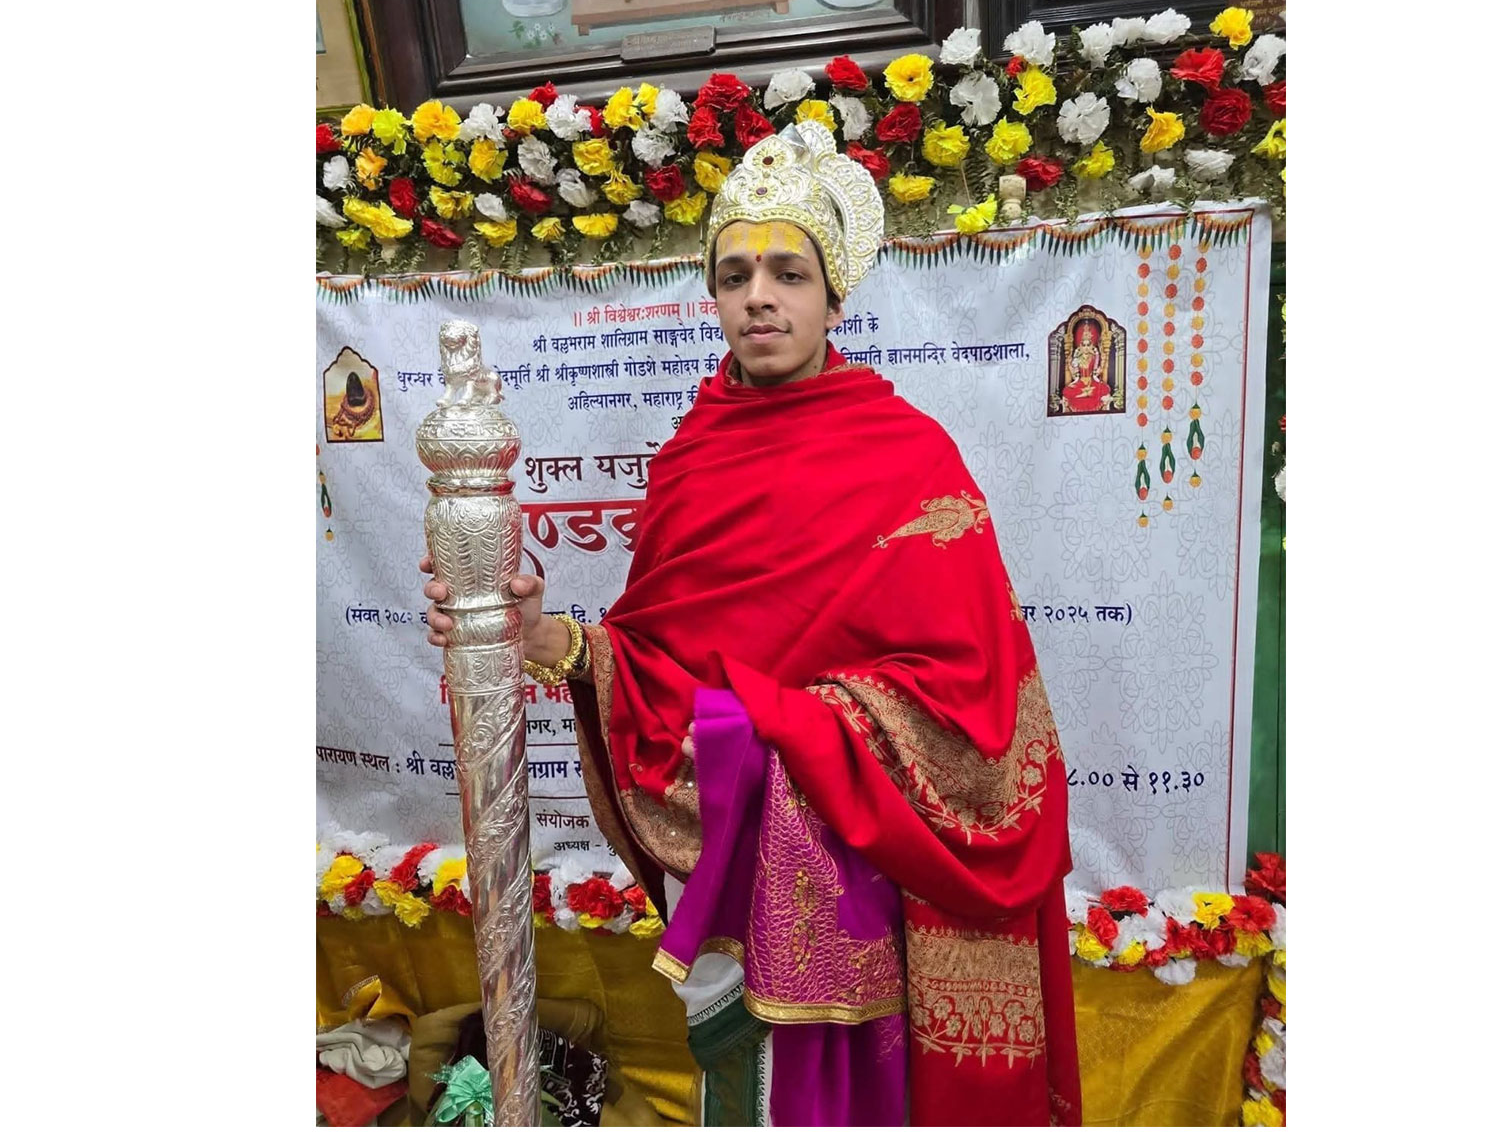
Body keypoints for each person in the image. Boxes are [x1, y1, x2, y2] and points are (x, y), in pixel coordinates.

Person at [423, 121, 1081, 1127]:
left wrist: (805, 727)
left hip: (880, 860)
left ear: (834, 296)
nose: (758, 297)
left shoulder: (908, 456)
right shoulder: (692, 459)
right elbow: (657, 658)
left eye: (787, 274)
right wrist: (549, 640)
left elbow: (974, 696)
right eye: (734, 277)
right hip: (735, 847)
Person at [1062, 319, 1112, 413]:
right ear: (1081, 346)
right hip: (1080, 383)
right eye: (1084, 345)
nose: (1086, 348)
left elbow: (1097, 371)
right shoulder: (1077, 357)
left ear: (1091, 346)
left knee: (1105, 389)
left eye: (1088, 345)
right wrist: (1069, 364)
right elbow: (1074, 373)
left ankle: (1085, 393)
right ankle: (1085, 393)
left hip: (1092, 382)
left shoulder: (1094, 357)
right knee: (1067, 391)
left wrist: (1103, 362)